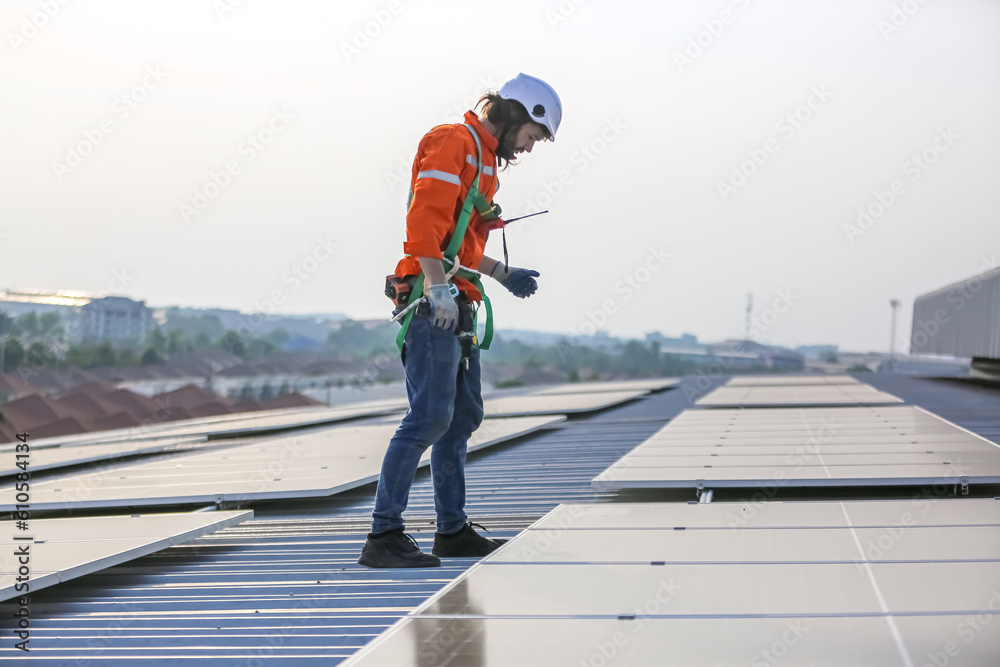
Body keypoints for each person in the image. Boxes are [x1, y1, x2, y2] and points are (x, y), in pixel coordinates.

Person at [359, 73, 562, 568]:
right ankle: (383, 535)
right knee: (429, 416)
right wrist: (435, 286)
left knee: (462, 417)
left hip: (457, 297)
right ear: (515, 113)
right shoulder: (454, 141)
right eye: (532, 137)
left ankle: (451, 531)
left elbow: (463, 245)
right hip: (434, 303)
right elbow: (423, 223)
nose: (530, 149)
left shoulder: (485, 163)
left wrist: (501, 273)